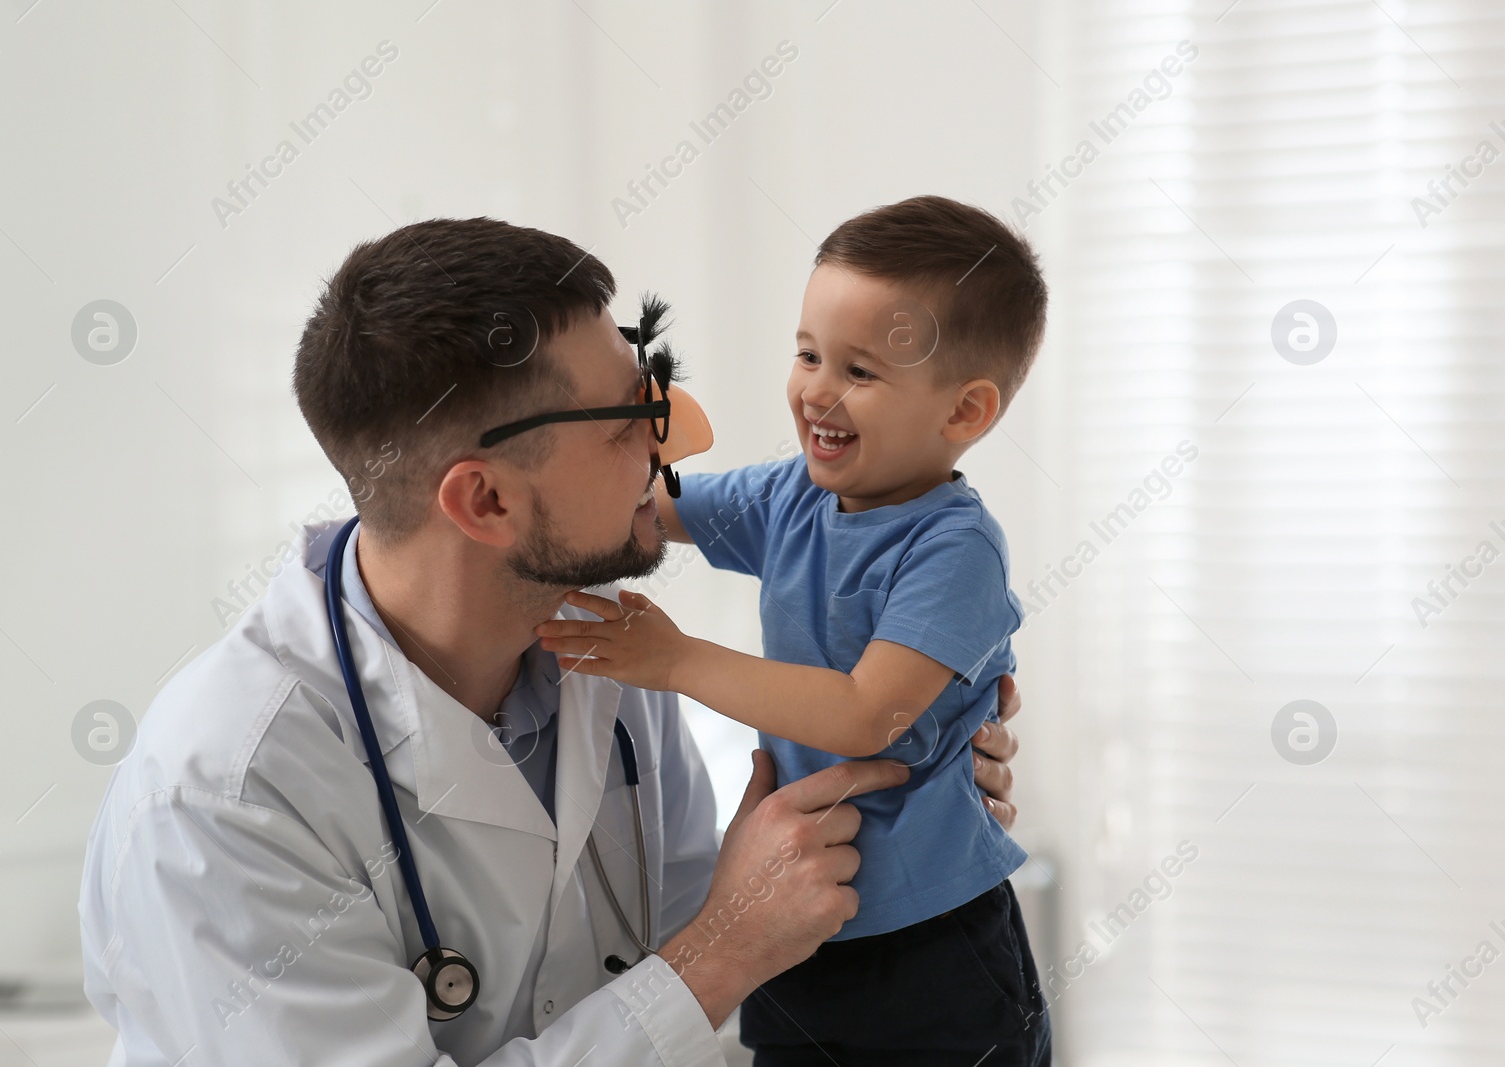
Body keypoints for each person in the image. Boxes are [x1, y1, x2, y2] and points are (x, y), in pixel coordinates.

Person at [76, 216, 1026, 1067]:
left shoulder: (598, 647)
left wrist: (924, 769)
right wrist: (722, 950)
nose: (673, 444)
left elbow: (701, 933)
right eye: (627, 418)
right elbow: (710, 957)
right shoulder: (226, 791)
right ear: (485, 499)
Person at [534, 196, 1052, 1064]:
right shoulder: (791, 497)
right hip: (799, 923)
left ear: (963, 412)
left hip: (932, 943)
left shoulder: (955, 546)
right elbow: (645, 510)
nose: (816, 388)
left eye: (859, 370)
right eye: (808, 353)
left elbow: (864, 716)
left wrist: (676, 659)